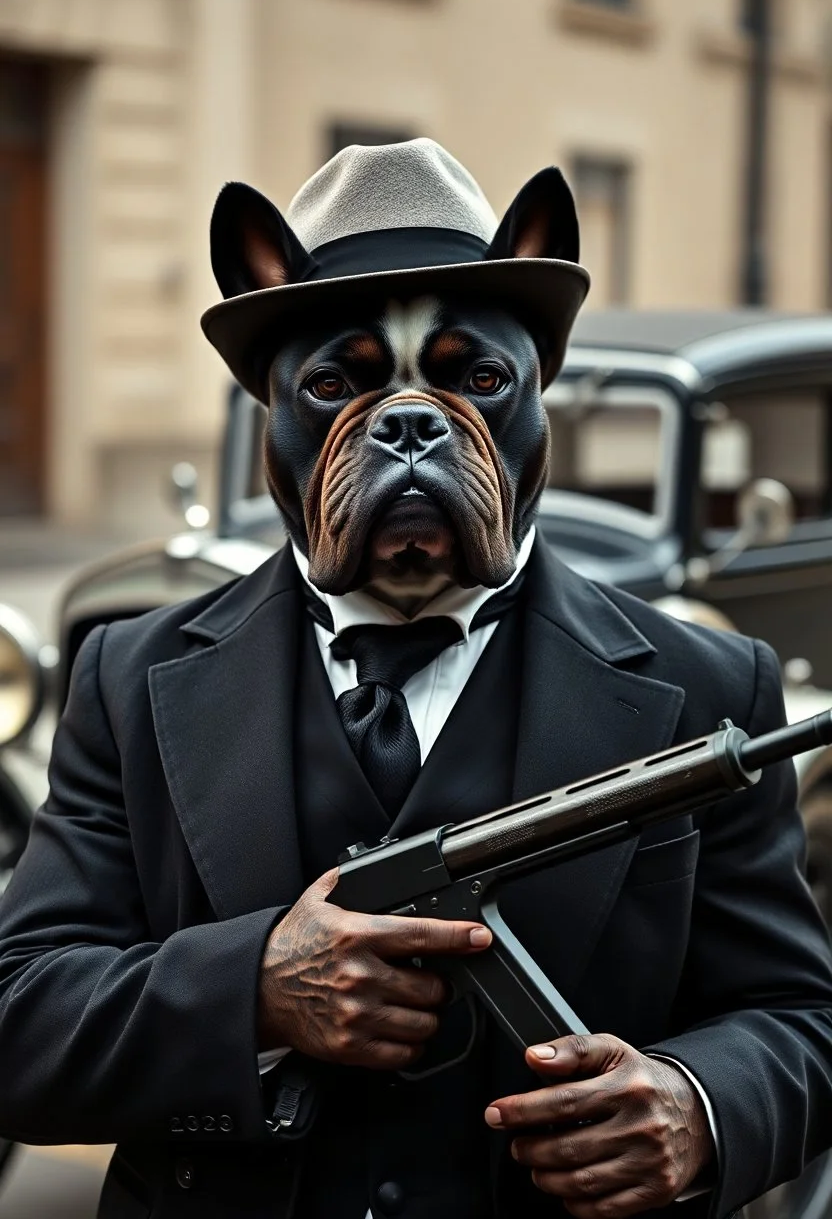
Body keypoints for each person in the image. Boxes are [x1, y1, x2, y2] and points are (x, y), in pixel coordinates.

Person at [0, 139, 830, 1219]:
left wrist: (698, 1102)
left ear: (541, 400)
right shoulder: (129, 676)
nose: (407, 427)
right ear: (267, 420)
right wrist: (250, 988)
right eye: (336, 386)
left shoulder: (710, 681)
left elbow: (799, 1020)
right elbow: (19, 1023)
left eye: (473, 380)